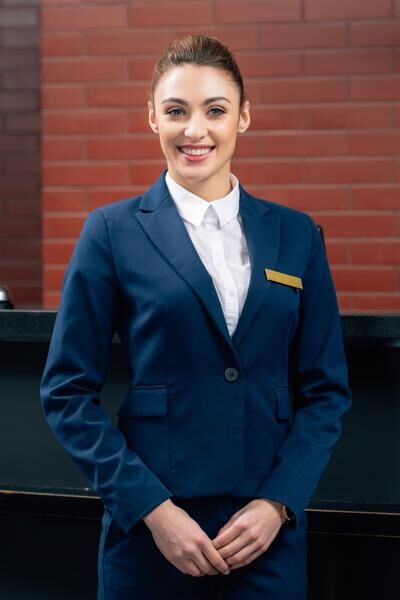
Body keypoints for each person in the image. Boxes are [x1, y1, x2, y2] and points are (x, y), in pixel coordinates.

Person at [40, 34, 352, 600]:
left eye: (215, 110)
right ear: (152, 119)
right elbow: (66, 392)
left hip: (264, 537)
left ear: (243, 117)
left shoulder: (297, 235)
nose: (195, 130)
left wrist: (279, 502)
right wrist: (152, 510)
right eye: (176, 111)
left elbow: (326, 390)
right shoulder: (110, 232)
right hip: (152, 535)